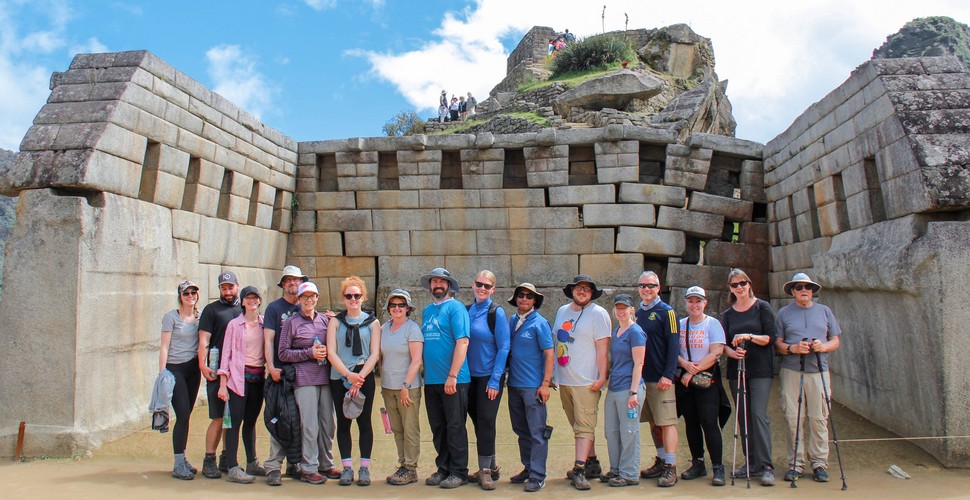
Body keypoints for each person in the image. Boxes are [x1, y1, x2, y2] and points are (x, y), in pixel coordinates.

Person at [262, 265, 334, 485]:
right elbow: (273, 344)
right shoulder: (281, 314)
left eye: (312, 296)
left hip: (320, 376)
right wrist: (271, 366)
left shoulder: (324, 320)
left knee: (325, 424)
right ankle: (285, 466)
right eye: (289, 280)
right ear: (284, 284)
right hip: (290, 376)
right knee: (290, 420)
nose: (308, 299)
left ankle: (322, 464)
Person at [774, 272, 842, 483]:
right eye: (799, 287)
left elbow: (835, 341)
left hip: (818, 370)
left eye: (808, 287)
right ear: (793, 291)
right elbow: (778, 344)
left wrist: (822, 347)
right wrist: (793, 348)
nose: (804, 290)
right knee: (793, 419)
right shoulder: (784, 313)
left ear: (812, 291)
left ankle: (819, 462)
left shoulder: (824, 311)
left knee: (819, 418)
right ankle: (795, 463)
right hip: (793, 371)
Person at [552, 274, 610, 490]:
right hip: (565, 380)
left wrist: (602, 377)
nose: (582, 291)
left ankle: (579, 468)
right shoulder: (561, 311)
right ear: (572, 291)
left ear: (592, 292)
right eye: (579, 288)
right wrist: (552, 375)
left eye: (587, 288)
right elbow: (556, 342)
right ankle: (592, 462)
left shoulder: (599, 314)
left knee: (584, 427)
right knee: (577, 424)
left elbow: (603, 349)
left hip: (587, 380)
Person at [720, 268, 778, 486]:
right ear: (730, 289)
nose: (739, 288)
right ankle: (751, 461)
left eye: (742, 283)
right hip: (737, 369)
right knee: (743, 415)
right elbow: (723, 344)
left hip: (760, 369)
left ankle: (766, 465)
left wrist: (750, 337)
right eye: (734, 285)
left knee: (758, 414)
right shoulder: (727, 314)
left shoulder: (762, 307)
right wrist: (731, 352)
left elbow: (770, 338)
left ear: (749, 284)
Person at [326, 276, 381, 486]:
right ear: (343, 298)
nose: (353, 299)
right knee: (344, 422)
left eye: (357, 295)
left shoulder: (373, 322)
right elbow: (331, 352)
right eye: (349, 296)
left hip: (363, 375)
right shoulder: (335, 322)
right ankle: (347, 467)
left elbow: (374, 354)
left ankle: (364, 468)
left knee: (364, 422)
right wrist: (348, 376)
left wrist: (359, 378)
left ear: (363, 296)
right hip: (340, 376)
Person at [419, 267, 471, 489]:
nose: (438, 285)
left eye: (442, 281)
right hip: (431, 380)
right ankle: (444, 467)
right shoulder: (427, 311)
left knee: (456, 425)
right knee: (438, 427)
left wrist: (452, 376)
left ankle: (459, 471)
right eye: (434, 281)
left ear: (449, 285)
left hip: (454, 380)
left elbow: (463, 342)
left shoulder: (456, 308)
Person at [505, 283, 554, 493]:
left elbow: (550, 354)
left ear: (534, 301)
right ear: (516, 299)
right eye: (520, 295)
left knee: (537, 432)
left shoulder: (540, 323)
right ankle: (528, 467)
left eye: (529, 296)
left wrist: (545, 384)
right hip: (514, 384)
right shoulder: (513, 320)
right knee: (521, 430)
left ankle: (538, 475)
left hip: (533, 387)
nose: (524, 299)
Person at [677, 286, 728, 486]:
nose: (694, 305)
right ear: (686, 303)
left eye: (698, 301)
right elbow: (674, 351)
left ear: (705, 303)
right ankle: (698, 462)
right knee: (691, 422)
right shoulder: (681, 324)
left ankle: (718, 466)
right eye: (691, 301)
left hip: (705, 381)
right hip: (685, 381)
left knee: (709, 422)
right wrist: (684, 365)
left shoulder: (712, 324)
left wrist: (691, 372)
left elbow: (716, 352)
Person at [217, 286, 267, 483]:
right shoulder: (234, 325)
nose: (252, 301)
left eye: (255, 298)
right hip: (238, 379)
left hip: (257, 378)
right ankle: (232, 466)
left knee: (251, 422)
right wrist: (223, 383)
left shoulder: (264, 324)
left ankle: (252, 462)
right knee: (234, 422)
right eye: (248, 298)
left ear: (259, 301)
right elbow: (226, 354)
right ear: (243, 302)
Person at [465, 270, 510, 490]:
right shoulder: (467, 310)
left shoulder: (496, 313)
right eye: (479, 284)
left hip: (489, 378)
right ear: (472, 286)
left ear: (493, 289)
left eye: (487, 286)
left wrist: (495, 380)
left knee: (485, 421)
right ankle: (491, 465)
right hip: (468, 378)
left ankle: (484, 471)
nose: (482, 288)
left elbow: (504, 347)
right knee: (478, 423)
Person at [635, 270, 680, 487]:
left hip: (661, 378)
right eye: (643, 285)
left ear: (658, 288)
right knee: (654, 422)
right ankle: (661, 461)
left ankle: (671, 467)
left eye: (651, 286)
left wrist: (668, 375)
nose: (646, 289)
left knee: (667, 422)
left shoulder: (667, 312)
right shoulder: (637, 313)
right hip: (643, 378)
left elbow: (674, 346)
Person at [197, 271, 243, 478]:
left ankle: (227, 457)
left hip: (238, 371)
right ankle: (209, 458)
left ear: (237, 287)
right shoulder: (211, 310)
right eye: (224, 288)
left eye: (230, 287)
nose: (227, 292)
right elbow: (203, 340)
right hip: (217, 370)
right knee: (217, 417)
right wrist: (202, 365)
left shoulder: (244, 309)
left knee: (231, 418)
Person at [601, 293, 646, 487]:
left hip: (629, 387)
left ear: (631, 310)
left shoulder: (636, 332)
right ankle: (616, 469)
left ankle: (629, 473)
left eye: (624, 308)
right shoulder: (617, 330)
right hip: (614, 387)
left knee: (629, 431)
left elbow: (639, 363)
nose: (620, 311)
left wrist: (633, 392)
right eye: (617, 308)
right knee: (611, 431)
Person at [380, 289, 424, 486]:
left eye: (401, 305)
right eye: (393, 305)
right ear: (389, 308)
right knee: (397, 429)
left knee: (410, 428)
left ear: (408, 308)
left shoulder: (412, 329)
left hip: (408, 387)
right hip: (388, 387)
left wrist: (406, 384)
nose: (397, 308)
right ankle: (403, 464)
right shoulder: (382, 329)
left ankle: (411, 468)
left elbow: (416, 361)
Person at [161, 280, 201, 480]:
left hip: (193, 370)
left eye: (193, 292)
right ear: (180, 296)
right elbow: (164, 347)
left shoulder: (199, 317)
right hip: (175, 369)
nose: (191, 295)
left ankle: (182, 458)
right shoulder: (171, 317)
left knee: (188, 415)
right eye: (187, 293)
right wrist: (162, 374)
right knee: (182, 415)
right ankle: (178, 463)